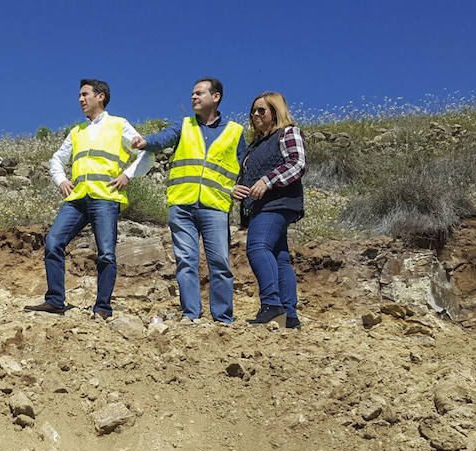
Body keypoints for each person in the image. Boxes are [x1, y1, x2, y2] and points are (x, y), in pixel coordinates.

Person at [25, 79, 152, 319]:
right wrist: (61, 180)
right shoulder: (77, 131)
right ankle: (54, 300)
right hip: (77, 199)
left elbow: (146, 153)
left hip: (105, 197)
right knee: (53, 241)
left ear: (100, 96)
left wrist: (127, 175)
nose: (80, 99)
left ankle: (102, 307)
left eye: (85, 95)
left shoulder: (118, 125)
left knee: (106, 253)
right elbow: (56, 160)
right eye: (80, 96)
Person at [131, 78, 246, 322]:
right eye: (192, 93)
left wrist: (239, 187)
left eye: (199, 93)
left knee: (220, 263)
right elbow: (163, 138)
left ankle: (223, 318)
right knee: (186, 262)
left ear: (216, 97)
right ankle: (191, 314)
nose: (193, 97)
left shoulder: (235, 131)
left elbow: (245, 166)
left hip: (215, 205)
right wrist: (145, 142)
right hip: (182, 204)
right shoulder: (183, 125)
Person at [232, 92, 306, 328]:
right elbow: (248, 176)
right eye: (252, 111)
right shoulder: (255, 145)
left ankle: (271, 305)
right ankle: (289, 315)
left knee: (257, 247)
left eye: (261, 110)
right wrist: (238, 189)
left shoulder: (287, 132)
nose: (255, 115)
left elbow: (297, 163)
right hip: (261, 206)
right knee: (279, 257)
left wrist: (268, 181)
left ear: (276, 111)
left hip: (277, 203)